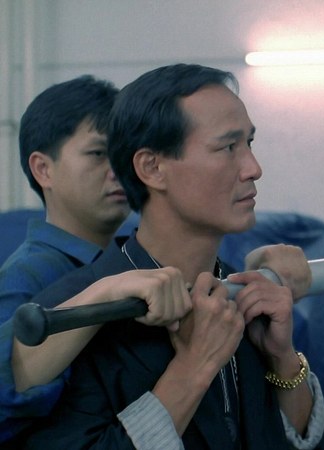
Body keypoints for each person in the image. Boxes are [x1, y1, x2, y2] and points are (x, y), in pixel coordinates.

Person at [17, 63, 324, 449]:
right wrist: (194, 367)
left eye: (249, 143)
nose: (253, 168)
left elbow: (291, 439)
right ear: (153, 168)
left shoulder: (243, 298)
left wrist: (282, 358)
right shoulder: (74, 318)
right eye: (228, 147)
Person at [0, 75, 185, 443]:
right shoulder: (27, 276)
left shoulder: (136, 264)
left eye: (123, 154)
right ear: (43, 169)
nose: (118, 170)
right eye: (99, 153)